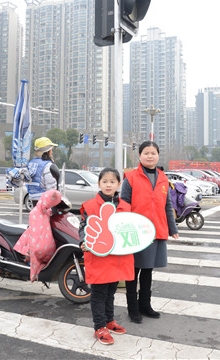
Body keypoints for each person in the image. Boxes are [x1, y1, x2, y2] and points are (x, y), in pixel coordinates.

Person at [120, 141, 179, 323]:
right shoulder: (130, 177)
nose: (150, 156)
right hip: (136, 231)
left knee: (148, 270)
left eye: (153, 153)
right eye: (146, 153)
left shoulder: (162, 177)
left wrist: (173, 228)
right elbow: (124, 204)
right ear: (139, 155)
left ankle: (145, 305)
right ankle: (133, 308)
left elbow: (167, 205)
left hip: (156, 231)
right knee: (133, 270)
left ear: (158, 155)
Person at [79, 168, 133, 345]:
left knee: (111, 291)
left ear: (119, 184)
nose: (108, 184)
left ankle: (109, 321)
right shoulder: (90, 206)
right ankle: (99, 326)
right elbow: (83, 228)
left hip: (117, 257)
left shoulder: (125, 206)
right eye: (105, 181)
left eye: (112, 181)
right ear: (99, 184)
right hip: (98, 257)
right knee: (98, 293)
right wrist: (83, 241)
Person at [25, 137, 60, 202]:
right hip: (45, 201)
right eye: (51, 150)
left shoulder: (31, 163)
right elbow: (51, 189)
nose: (52, 152)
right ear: (48, 151)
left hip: (32, 199)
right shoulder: (47, 165)